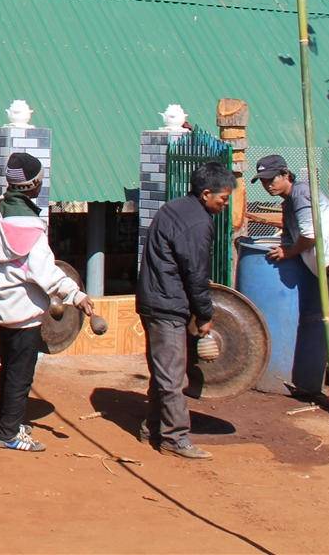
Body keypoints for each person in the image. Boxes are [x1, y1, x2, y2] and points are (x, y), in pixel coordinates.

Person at [0, 152, 92, 452]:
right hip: (24, 310)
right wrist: (76, 295)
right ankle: (9, 433)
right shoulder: (30, 224)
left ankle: (8, 420)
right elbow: (44, 272)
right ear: (33, 185)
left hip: (0, 304)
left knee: (9, 366)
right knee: (21, 372)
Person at [255, 155, 329, 421]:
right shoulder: (289, 204)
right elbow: (292, 238)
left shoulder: (301, 193)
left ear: (286, 174)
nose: (268, 185)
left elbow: (309, 236)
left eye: (271, 179)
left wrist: (288, 252)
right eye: (263, 181)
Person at [136, 160, 233, 459]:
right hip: (167, 303)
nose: (225, 205)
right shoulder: (197, 223)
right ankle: (174, 438)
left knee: (164, 370)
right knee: (173, 376)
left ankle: (152, 426)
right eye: (223, 199)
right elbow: (195, 273)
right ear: (206, 193)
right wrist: (204, 314)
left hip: (154, 299)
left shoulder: (174, 208)